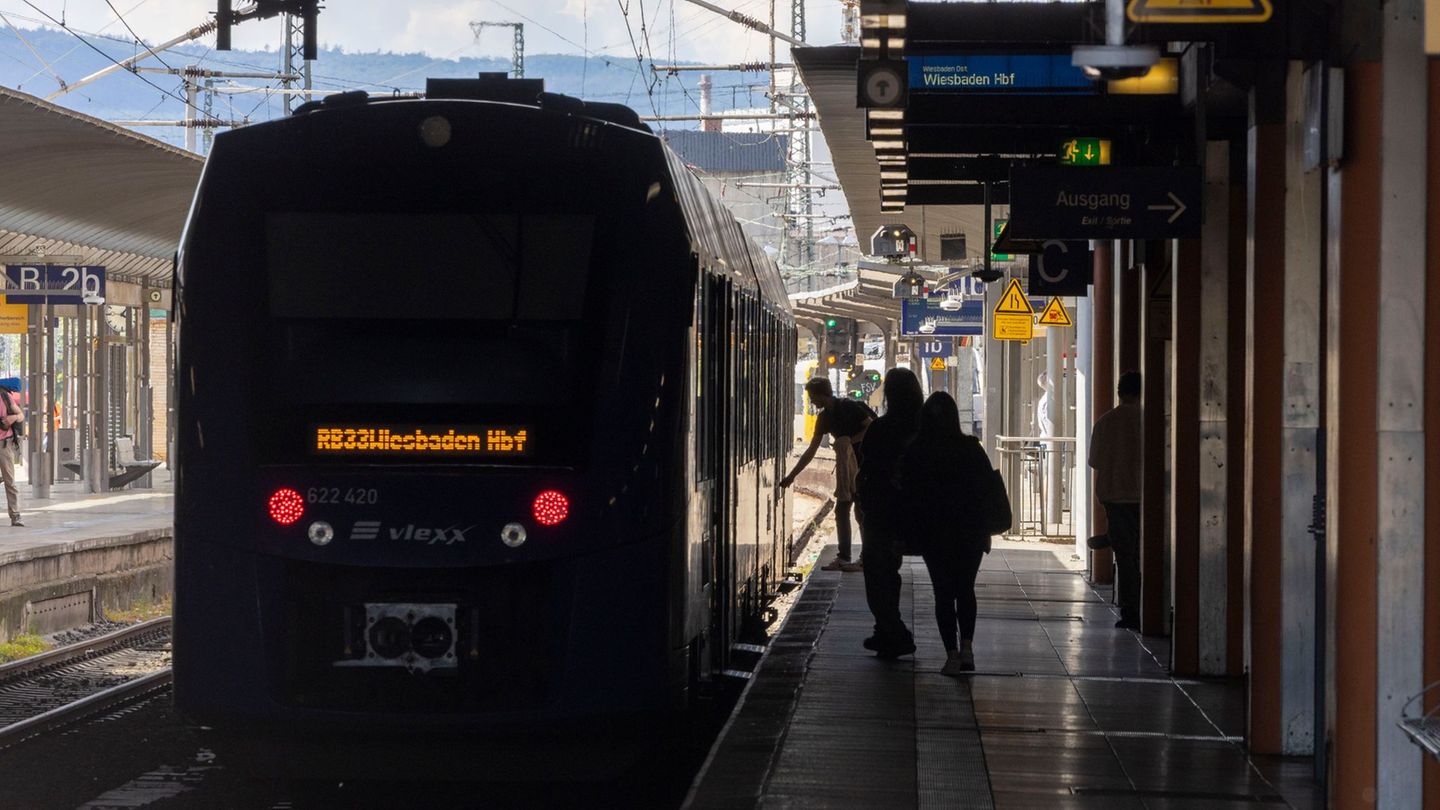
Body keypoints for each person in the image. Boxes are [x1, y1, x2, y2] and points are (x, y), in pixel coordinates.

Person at [902, 391, 992, 675]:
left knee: (943, 592)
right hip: (970, 531)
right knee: (965, 589)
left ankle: (951, 655)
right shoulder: (971, 447)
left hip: (934, 533)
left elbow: (908, 495)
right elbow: (987, 487)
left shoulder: (917, 450)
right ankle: (967, 649)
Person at [854, 367, 924, 658]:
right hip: (916, 511)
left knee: (877, 573)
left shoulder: (881, 428)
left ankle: (894, 630)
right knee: (890, 573)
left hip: (882, 513)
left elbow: (866, 469)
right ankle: (885, 632)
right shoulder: (924, 427)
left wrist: (860, 503)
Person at [780, 377, 874, 572]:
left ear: (823, 395)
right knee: (842, 510)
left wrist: (848, 440)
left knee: (860, 511)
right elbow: (811, 450)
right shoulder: (824, 418)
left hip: (865, 464)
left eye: (813, 397)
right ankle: (845, 557)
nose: (812, 402)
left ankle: (866, 558)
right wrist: (792, 476)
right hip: (846, 469)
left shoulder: (848, 407)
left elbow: (871, 426)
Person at [1089, 370, 1142, 630]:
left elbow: (1094, 461)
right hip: (1147, 498)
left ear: (1119, 392)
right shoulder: (1150, 420)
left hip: (1115, 498)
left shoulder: (1106, 422)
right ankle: (1151, 605)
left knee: (1125, 556)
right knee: (1145, 553)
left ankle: (1130, 610)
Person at [0, 380, 23, 527]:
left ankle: (15, 515)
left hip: (4, 444)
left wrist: (12, 418)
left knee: (10, 481)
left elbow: (20, 415)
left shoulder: (5, 397)